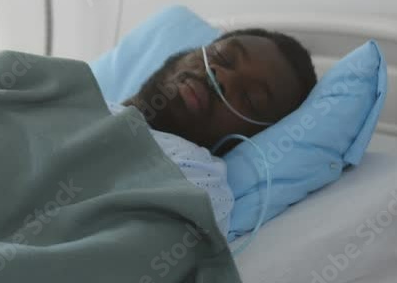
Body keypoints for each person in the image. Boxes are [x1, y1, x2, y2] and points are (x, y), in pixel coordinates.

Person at [109, 28, 317, 237]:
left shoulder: (197, 182)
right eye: (221, 56)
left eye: (251, 98)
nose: (221, 76)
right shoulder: (85, 95)